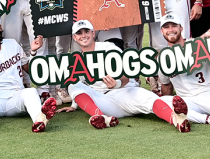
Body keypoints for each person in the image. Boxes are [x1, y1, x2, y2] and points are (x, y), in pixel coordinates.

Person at [65, 20, 193, 132]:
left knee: (148, 99)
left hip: (123, 91)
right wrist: (74, 105)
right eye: (79, 33)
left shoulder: (108, 47)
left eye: (86, 31)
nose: (83, 35)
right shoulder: (77, 60)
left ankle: (177, 120)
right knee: (71, 83)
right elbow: (80, 86)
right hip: (104, 102)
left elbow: (127, 73)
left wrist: (117, 83)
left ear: (93, 33)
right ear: (75, 38)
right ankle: (100, 117)